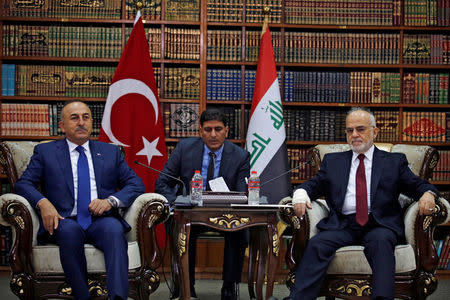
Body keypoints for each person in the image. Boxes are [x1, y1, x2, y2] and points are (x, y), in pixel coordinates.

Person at [284, 107, 438, 300]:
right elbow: (313, 185)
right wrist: (300, 194)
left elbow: (418, 185)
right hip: (343, 225)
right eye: (350, 130)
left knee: (381, 243)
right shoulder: (333, 161)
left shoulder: (393, 162)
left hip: (380, 224)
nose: (354, 134)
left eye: (360, 129)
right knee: (317, 244)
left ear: (374, 131)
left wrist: (428, 194)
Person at [15, 100, 145, 300]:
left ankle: (118, 297)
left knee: (114, 229)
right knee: (69, 231)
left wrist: (110, 201)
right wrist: (43, 203)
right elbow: (23, 184)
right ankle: (82, 296)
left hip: (101, 220)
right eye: (74, 118)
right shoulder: (46, 152)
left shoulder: (110, 152)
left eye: (86, 117)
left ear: (92, 122)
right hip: (63, 219)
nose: (81, 122)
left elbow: (135, 184)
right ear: (62, 126)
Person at [155, 107, 250, 300]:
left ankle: (229, 287)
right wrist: (177, 202)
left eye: (218, 129)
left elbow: (243, 193)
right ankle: (186, 286)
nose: (213, 134)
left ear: (227, 130)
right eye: (207, 129)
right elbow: (162, 182)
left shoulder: (240, 156)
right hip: (192, 212)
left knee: (239, 231)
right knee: (181, 230)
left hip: (226, 213)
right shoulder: (185, 149)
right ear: (200, 131)